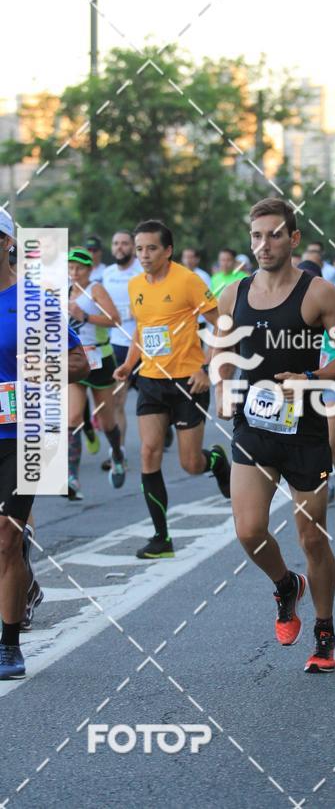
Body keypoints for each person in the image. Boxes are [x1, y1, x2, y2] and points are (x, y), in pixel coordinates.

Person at [214, 198, 335, 674]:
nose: (264, 244)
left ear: (293, 239)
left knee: (312, 537)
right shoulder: (231, 294)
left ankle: (324, 629)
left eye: (274, 235)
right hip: (253, 426)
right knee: (249, 530)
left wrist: (313, 377)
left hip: (305, 431)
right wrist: (222, 387)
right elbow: (223, 353)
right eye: (256, 236)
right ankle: (285, 586)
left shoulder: (319, 293)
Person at [0, 213, 90, 678]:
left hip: (24, 431)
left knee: (5, 536)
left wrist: (39, 368)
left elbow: (80, 362)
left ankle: (9, 644)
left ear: (7, 242)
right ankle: (26, 587)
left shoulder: (34, 301)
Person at [114, 219, 231, 560]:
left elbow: (222, 324)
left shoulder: (188, 281)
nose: (144, 255)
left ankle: (217, 462)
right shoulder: (135, 285)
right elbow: (142, 329)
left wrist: (207, 367)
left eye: (151, 248)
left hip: (187, 382)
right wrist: (129, 363)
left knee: (190, 464)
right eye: (139, 249)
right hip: (150, 380)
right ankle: (161, 538)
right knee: (148, 453)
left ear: (168, 250)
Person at [67, 248, 127, 499]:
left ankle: (117, 455)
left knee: (106, 421)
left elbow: (115, 319)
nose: (74, 272)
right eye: (70, 268)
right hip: (74, 361)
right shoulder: (63, 290)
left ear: (89, 269)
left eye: (79, 268)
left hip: (100, 360)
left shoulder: (95, 289)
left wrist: (85, 316)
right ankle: (71, 478)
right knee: (72, 419)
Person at [100, 231, 143, 470]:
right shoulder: (107, 273)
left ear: (133, 247)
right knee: (117, 401)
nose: (119, 247)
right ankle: (120, 452)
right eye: (115, 243)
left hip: (144, 344)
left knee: (153, 398)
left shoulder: (142, 271)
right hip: (116, 343)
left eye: (125, 243)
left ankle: (165, 427)